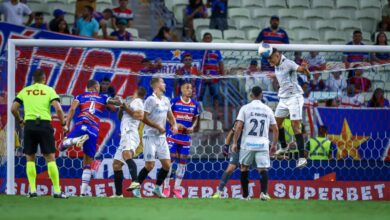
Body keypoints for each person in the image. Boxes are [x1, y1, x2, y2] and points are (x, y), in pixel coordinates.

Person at [11, 69, 68, 198]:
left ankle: (32, 191)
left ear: (33, 79)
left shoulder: (25, 91)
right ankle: (57, 191)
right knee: (50, 158)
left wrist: (20, 120)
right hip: (44, 125)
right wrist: (63, 124)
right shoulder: (49, 90)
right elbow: (58, 108)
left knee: (30, 158)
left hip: (29, 125)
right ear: (44, 78)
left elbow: (13, 108)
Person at [59, 80, 122, 196]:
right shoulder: (103, 97)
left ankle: (75, 140)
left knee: (61, 147)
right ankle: (83, 193)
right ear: (95, 87)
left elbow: (72, 109)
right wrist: (117, 99)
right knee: (88, 161)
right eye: (98, 87)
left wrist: (67, 125)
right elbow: (115, 106)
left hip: (81, 125)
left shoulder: (80, 96)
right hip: (93, 130)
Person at [128, 77, 178, 198]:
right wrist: (157, 126)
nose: (165, 84)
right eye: (162, 82)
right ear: (156, 85)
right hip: (149, 136)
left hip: (161, 137)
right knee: (150, 165)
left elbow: (170, 115)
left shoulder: (166, 100)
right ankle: (135, 188)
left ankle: (157, 188)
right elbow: (144, 118)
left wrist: (174, 125)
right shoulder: (150, 100)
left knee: (167, 165)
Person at [265, 47, 310, 168]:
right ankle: (284, 147)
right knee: (276, 124)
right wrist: (275, 77)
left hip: (294, 97)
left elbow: (301, 70)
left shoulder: (288, 63)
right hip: (283, 99)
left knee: (296, 126)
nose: (270, 61)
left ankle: (301, 158)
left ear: (277, 55)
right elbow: (283, 76)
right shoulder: (276, 65)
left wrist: (305, 69)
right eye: (268, 59)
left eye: (271, 58)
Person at [231, 86, 278, 200]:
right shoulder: (268, 109)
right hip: (262, 143)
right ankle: (263, 193)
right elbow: (276, 129)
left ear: (251, 95)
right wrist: (274, 145)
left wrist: (234, 142)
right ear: (261, 95)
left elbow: (239, 126)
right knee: (263, 169)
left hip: (248, 143)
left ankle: (246, 196)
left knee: (244, 168)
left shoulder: (245, 108)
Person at [162, 82, 200, 198]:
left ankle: (177, 189)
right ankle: (166, 187)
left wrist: (192, 127)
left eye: (191, 88)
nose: (190, 90)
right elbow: (166, 116)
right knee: (170, 161)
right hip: (173, 135)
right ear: (182, 90)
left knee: (182, 162)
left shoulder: (195, 104)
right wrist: (175, 124)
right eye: (187, 88)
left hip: (185, 137)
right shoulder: (174, 101)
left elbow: (196, 118)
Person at [112, 87, 146, 198]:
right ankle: (118, 194)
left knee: (127, 154)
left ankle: (135, 183)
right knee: (116, 164)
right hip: (125, 135)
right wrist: (122, 108)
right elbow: (120, 117)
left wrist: (126, 107)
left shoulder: (138, 102)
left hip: (131, 133)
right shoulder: (131, 103)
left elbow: (138, 116)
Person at [211, 120, 242, 198]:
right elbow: (231, 133)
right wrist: (226, 147)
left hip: (251, 148)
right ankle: (219, 192)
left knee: (260, 169)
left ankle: (264, 192)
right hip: (238, 149)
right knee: (230, 168)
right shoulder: (239, 121)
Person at [199, 32, 224, 114]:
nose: (207, 39)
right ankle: (199, 112)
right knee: (200, 95)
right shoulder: (199, 50)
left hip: (214, 77)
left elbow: (220, 62)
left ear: (211, 39)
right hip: (202, 77)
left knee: (216, 95)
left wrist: (222, 74)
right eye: (206, 38)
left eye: (209, 38)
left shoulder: (216, 49)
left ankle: (216, 112)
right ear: (203, 39)